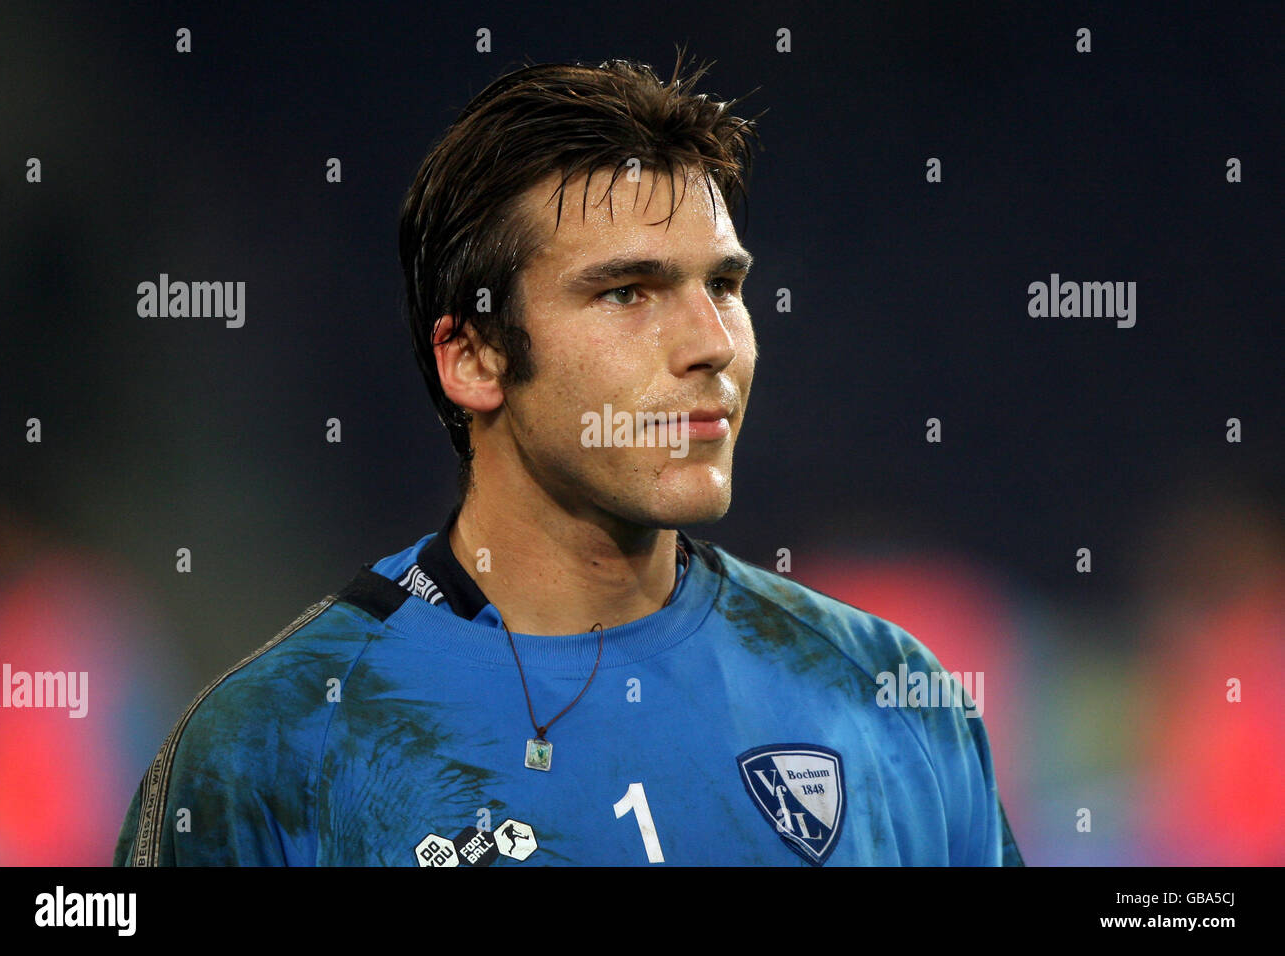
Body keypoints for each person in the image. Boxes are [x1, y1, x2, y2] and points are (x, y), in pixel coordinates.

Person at [114, 53, 1023, 866]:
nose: (711, 343)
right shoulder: (276, 746)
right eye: (629, 292)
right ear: (473, 358)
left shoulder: (884, 696)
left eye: (725, 286)